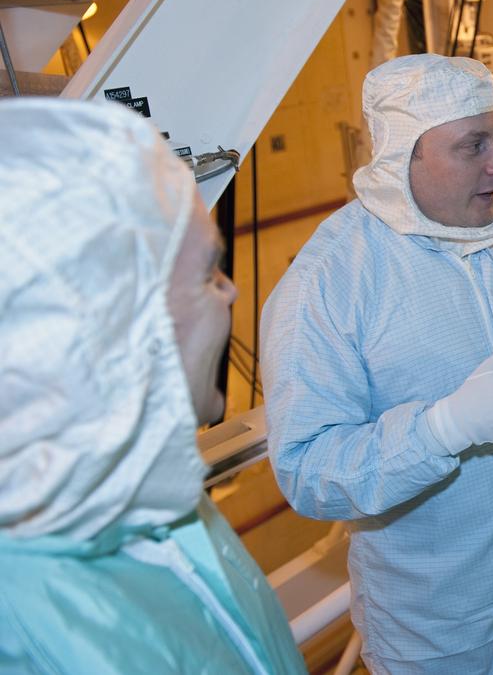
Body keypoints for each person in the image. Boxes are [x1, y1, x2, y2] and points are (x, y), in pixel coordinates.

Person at [261, 54, 493, 675]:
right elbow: (308, 469)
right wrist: (441, 430)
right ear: (402, 157)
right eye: (473, 145)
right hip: (430, 617)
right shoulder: (332, 281)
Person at [0, 98, 305, 674]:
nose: (232, 292)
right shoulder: (26, 634)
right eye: (207, 273)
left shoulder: (144, 490)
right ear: (118, 321)